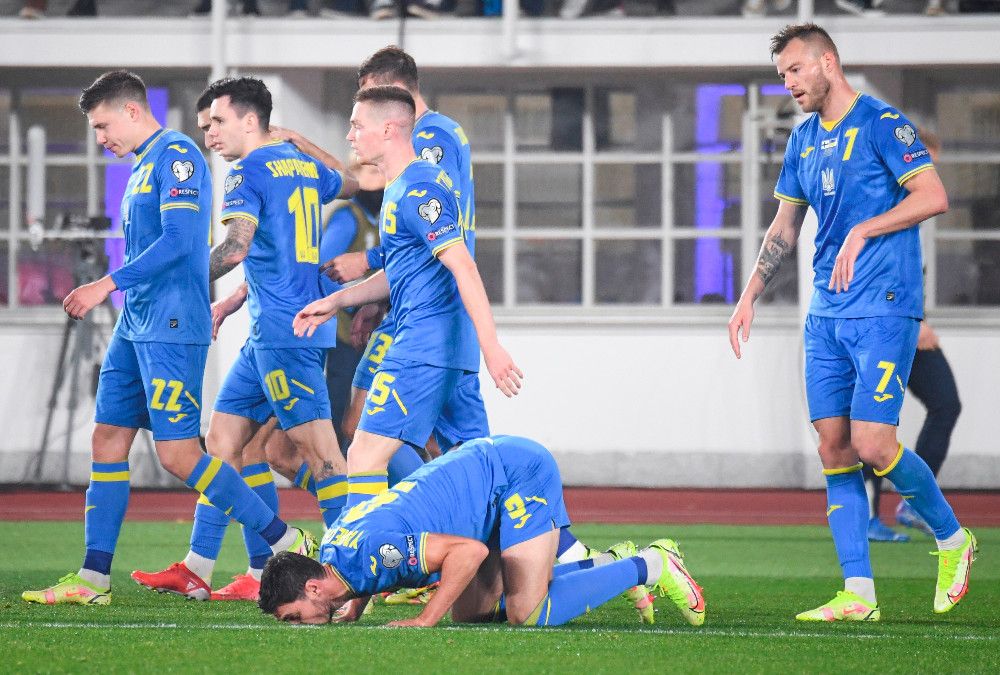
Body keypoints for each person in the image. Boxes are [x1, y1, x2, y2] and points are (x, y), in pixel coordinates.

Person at [22, 71, 313, 607]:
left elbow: (181, 242)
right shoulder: (140, 167)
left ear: (132, 112)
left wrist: (105, 283)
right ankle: (93, 578)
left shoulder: (177, 155)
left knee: (179, 454)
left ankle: (283, 538)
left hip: (172, 328)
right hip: (136, 325)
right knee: (106, 440)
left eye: (103, 125)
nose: (100, 138)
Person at [727, 24, 977, 622]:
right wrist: (750, 293)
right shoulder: (803, 139)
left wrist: (866, 228)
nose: (787, 84)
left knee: (873, 443)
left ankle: (952, 539)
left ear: (828, 63)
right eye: (781, 74)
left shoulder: (883, 125)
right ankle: (858, 594)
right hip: (826, 314)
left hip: (885, 307)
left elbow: (933, 195)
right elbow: (785, 227)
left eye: (795, 70)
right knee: (835, 449)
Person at [130, 76, 357, 602]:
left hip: (286, 332)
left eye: (218, 122)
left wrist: (178, 280)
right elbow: (347, 183)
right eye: (206, 125)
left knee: (323, 457)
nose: (209, 133)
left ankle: (352, 568)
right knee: (224, 445)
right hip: (272, 332)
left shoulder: (244, 172)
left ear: (250, 121)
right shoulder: (297, 165)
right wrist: (298, 139)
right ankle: (200, 567)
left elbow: (235, 248)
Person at [258, 435, 706, 628]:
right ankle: (606, 564)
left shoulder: (376, 553)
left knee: (526, 613)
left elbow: (467, 553)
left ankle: (651, 563)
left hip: (513, 474)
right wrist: (354, 606)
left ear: (314, 588)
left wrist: (424, 617)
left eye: (294, 617)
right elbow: (363, 569)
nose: (301, 626)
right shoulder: (336, 551)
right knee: (473, 615)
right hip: (481, 484)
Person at [864, 130, 963, 542]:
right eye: (925, 164)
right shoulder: (884, 204)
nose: (929, 174)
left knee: (946, 404)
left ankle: (913, 502)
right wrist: (915, 320)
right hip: (879, 326)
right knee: (871, 421)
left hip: (905, 323)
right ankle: (869, 518)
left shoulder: (914, 210)